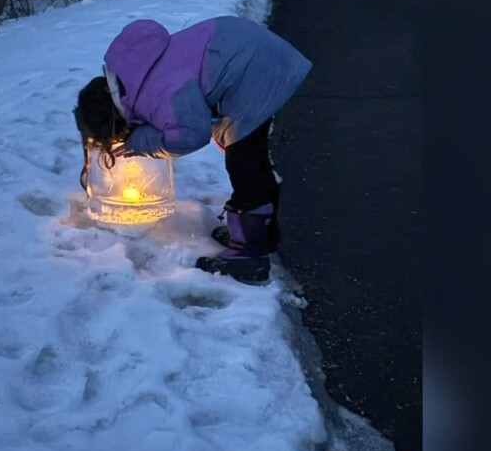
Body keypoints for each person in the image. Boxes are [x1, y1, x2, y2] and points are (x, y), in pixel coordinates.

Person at [73, 16, 312, 284]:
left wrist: (141, 142)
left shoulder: (156, 93)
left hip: (256, 72)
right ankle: (258, 236)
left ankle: (249, 256)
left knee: (245, 164)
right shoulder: (134, 73)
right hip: (250, 54)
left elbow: (191, 135)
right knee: (248, 156)